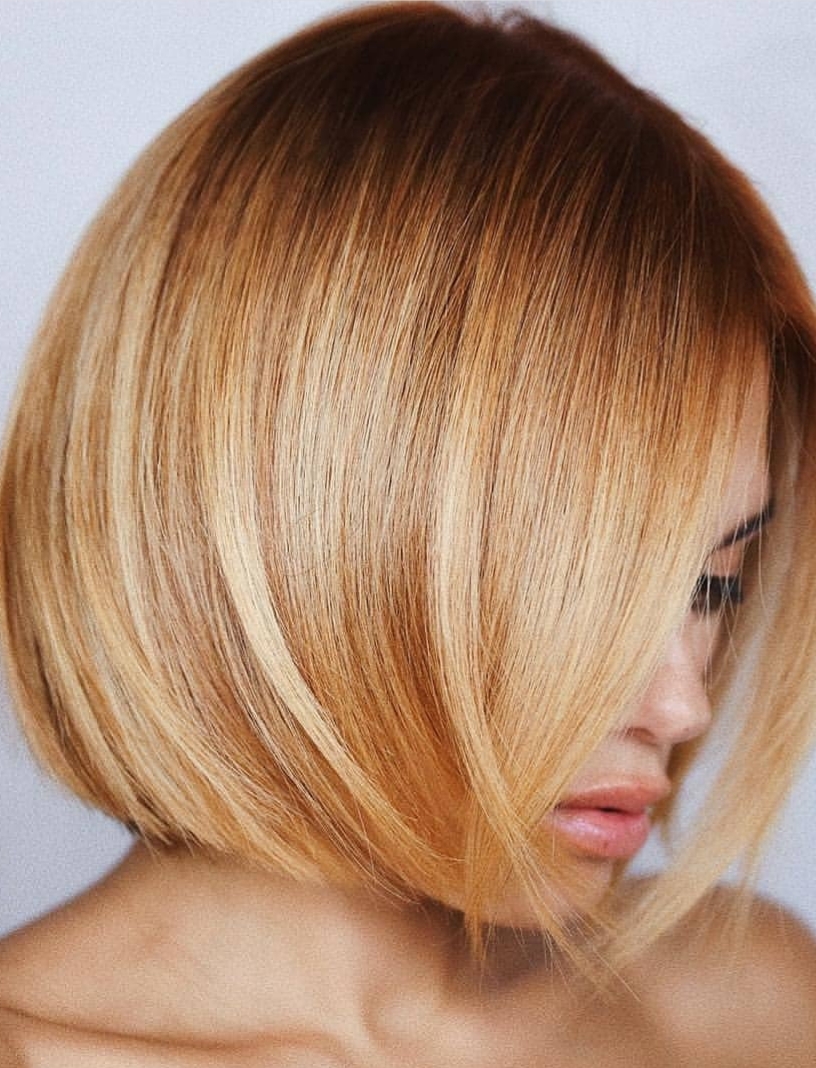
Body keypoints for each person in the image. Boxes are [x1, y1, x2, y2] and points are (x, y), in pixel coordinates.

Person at [0, 2, 815, 1064]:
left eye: (712, 586)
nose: (683, 704)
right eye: (576, 582)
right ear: (291, 522)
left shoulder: (747, 1004)